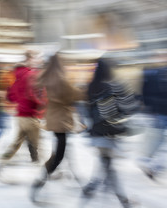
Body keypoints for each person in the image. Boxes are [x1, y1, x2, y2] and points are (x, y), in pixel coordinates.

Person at [81, 58, 138, 208]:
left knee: (105, 164)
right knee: (108, 167)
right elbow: (128, 107)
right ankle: (123, 200)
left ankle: (90, 188)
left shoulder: (91, 87)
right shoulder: (114, 87)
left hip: (97, 133)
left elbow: (87, 111)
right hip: (110, 133)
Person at [30, 54, 83, 200]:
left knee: (61, 151)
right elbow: (73, 95)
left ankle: (73, 177)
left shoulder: (49, 77)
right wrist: (83, 90)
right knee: (59, 155)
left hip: (54, 119)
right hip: (60, 121)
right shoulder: (60, 79)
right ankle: (40, 181)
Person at [0, 51, 46, 177]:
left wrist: (20, 101)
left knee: (17, 143)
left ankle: (2, 163)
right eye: (35, 58)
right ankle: (48, 169)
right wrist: (42, 103)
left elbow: (11, 96)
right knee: (38, 143)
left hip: (20, 116)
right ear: (30, 59)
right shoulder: (31, 75)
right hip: (30, 115)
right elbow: (34, 94)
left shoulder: (17, 76)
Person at [139, 65, 167, 179]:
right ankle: (152, 164)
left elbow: (145, 92)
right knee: (158, 140)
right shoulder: (155, 73)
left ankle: (151, 163)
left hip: (159, 111)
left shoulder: (154, 73)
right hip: (160, 111)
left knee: (158, 139)